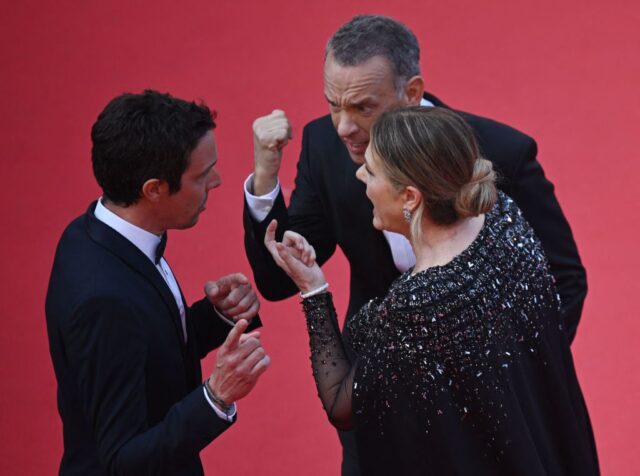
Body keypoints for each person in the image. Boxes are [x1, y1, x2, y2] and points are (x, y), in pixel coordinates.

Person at [243, 15, 587, 473]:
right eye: (333, 105)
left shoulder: (501, 152)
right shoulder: (324, 146)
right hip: (383, 414)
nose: (345, 127)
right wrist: (266, 176)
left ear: (411, 91)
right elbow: (277, 277)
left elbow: (562, 278)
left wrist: (507, 373)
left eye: (363, 107)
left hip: (498, 422)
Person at [46, 90, 270, 476]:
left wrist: (214, 317)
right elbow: (123, 462)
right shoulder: (104, 300)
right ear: (153, 189)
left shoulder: (92, 232)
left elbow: (138, 344)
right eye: (201, 176)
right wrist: (215, 396)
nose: (216, 181)